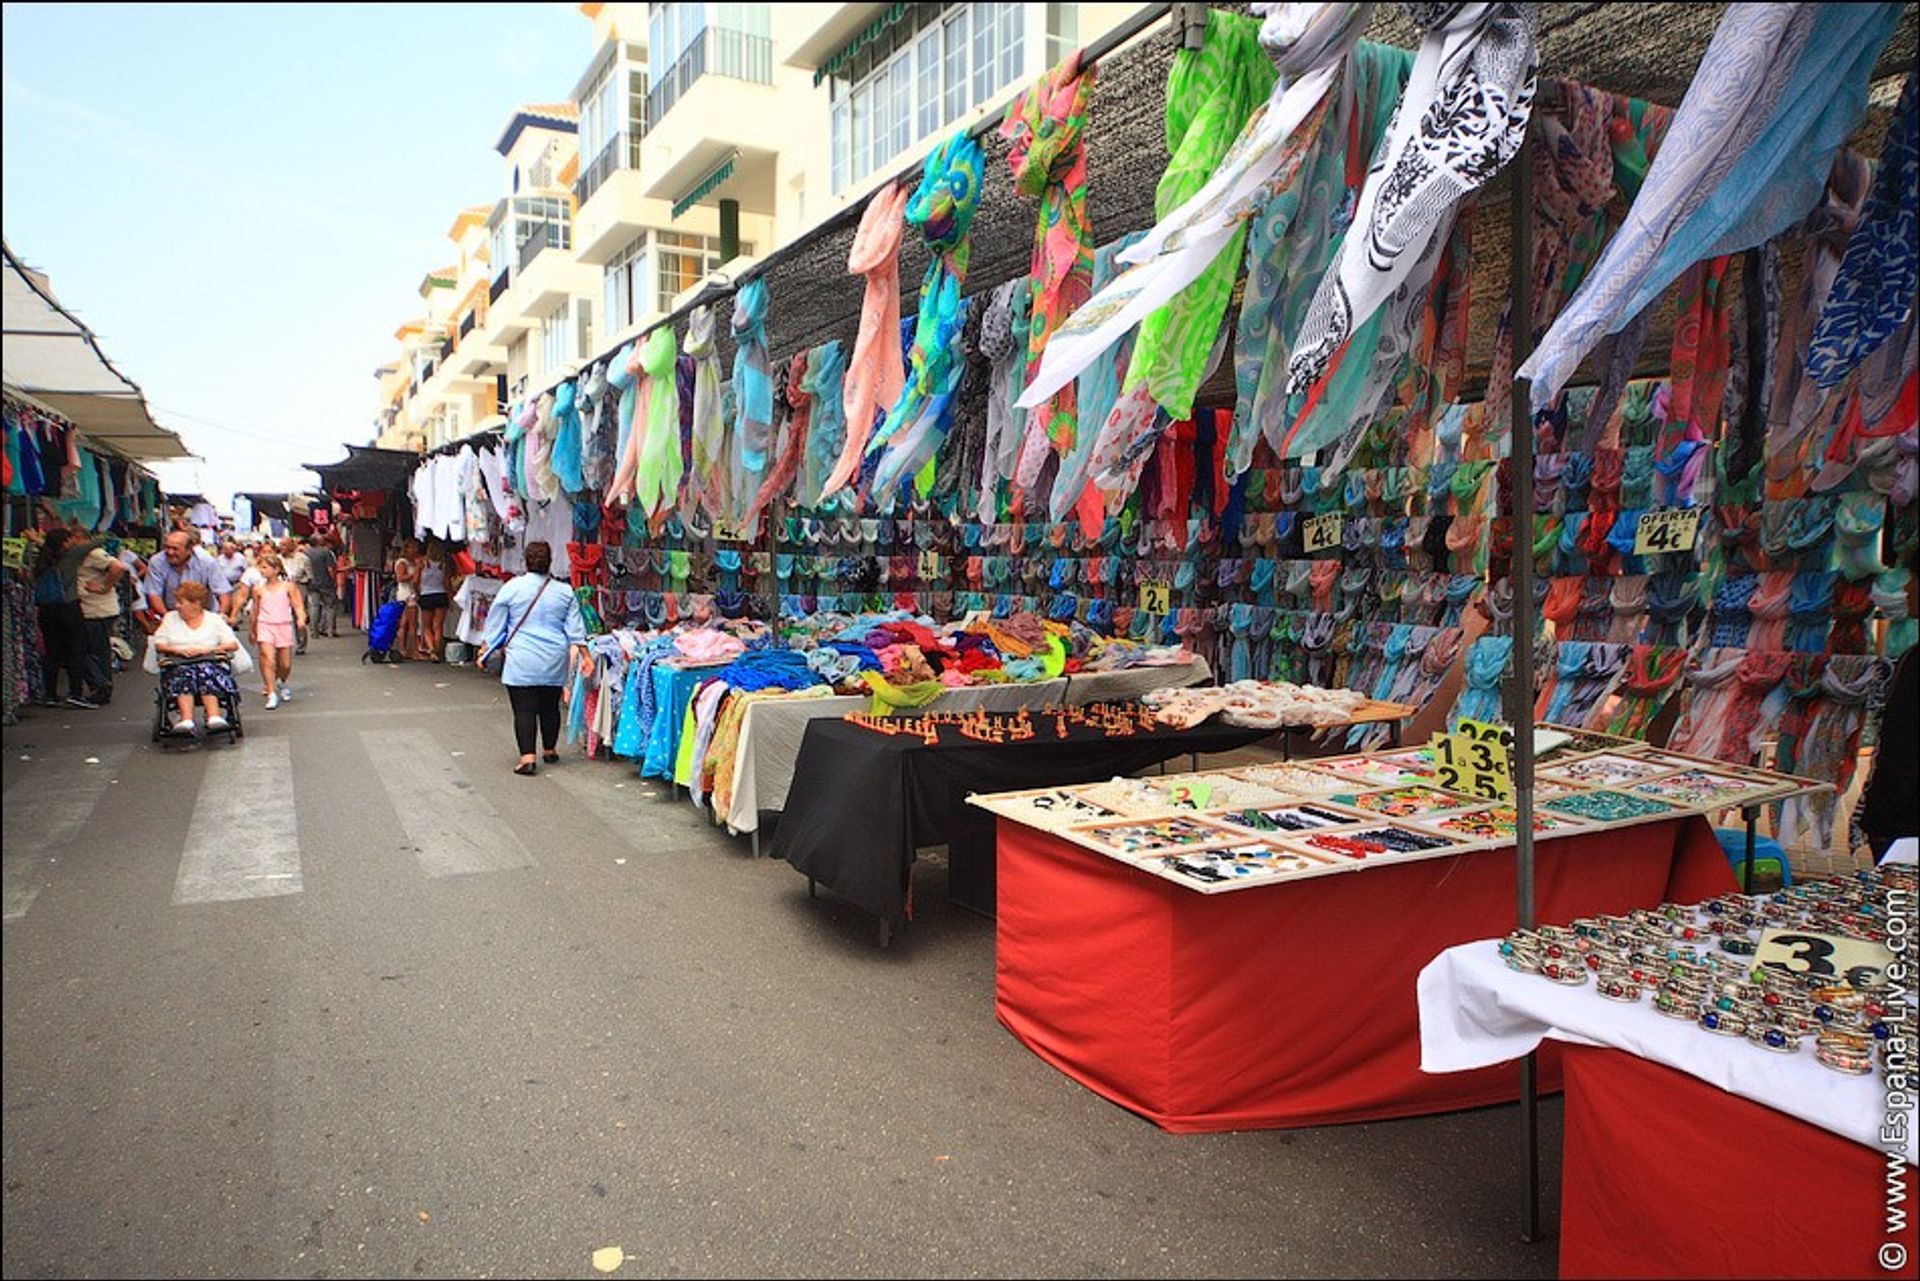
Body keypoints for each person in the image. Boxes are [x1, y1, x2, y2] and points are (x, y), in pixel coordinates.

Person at [480, 540, 587, 776]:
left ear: (525, 562)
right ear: (550, 562)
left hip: (522, 658)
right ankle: (549, 750)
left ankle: (527, 758)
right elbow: (575, 628)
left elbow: (496, 625)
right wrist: (586, 655)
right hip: (554, 657)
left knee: (524, 709)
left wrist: (486, 649)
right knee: (550, 706)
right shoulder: (564, 591)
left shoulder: (511, 587)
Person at [1860, 546, 1920, 860]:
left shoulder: (1915, 663)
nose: (1906, 589)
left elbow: (1901, 750)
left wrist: (1879, 820)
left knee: (1898, 907)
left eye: (1913, 580)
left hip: (1906, 826)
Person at [152, 580, 241, 738]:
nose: (177, 606)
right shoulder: (170, 619)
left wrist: (207, 650)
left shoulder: (214, 619)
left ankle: (214, 716)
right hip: (179, 662)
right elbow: (159, 644)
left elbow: (232, 644)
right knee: (184, 673)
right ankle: (186, 720)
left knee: (206, 670)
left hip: (209, 660)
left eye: (181, 602)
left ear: (196, 603)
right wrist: (178, 650)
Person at [31, 524, 106, 709]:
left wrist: (38, 540)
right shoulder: (71, 555)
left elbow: (48, 546)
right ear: (65, 543)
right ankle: (75, 693)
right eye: (70, 538)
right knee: (76, 650)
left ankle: (50, 694)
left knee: (52, 652)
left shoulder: (41, 556)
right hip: (68, 608)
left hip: (46, 610)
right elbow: (102, 539)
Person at [75, 534, 131, 705]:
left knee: (87, 650)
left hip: (97, 610)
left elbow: (118, 567)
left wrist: (104, 586)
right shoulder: (83, 554)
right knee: (100, 651)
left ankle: (100, 685)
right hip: (96, 609)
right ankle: (102, 688)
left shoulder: (93, 553)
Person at [248, 550, 306, 709]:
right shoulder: (258, 589)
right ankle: (271, 692)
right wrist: (252, 629)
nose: (262, 571)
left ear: (276, 569)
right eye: (261, 567)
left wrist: (301, 618)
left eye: (265, 567)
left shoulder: (288, 586)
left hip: (283, 625)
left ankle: (281, 681)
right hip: (265, 625)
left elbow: (298, 604)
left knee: (285, 664)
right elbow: (255, 610)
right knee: (268, 658)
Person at [145, 529, 233, 618]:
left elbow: (223, 592)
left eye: (175, 549)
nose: (170, 552)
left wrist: (220, 617)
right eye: (167, 547)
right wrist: (168, 619)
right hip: (171, 614)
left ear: (189, 549)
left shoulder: (207, 562)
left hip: (205, 615)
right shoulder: (156, 562)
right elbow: (154, 595)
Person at [415, 540, 450, 661]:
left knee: (427, 626)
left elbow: (415, 580)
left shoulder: (422, 563)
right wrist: (450, 597)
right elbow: (446, 583)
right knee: (438, 626)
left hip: (426, 595)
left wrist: (417, 592)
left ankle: (431, 649)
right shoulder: (443, 564)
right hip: (441, 594)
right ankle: (437, 650)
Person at [303, 534, 340, 638]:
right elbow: (330, 569)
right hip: (326, 583)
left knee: (313, 607)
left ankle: (314, 632)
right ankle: (330, 631)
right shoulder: (326, 552)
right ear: (318, 542)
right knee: (330, 606)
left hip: (311, 583)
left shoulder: (305, 553)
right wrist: (334, 581)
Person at [280, 537, 313, 653]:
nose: (281, 547)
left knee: (299, 615)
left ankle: (301, 644)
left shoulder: (303, 559)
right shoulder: (278, 559)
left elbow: (309, 576)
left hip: (299, 587)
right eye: (280, 545)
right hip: (281, 587)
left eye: (284, 545)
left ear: (291, 545)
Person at [393, 539, 422, 661]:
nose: (416, 550)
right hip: (407, 594)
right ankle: (412, 650)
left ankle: (404, 649)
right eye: (413, 548)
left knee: (405, 623)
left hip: (410, 592)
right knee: (412, 624)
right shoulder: (402, 563)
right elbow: (400, 578)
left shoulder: (413, 562)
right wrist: (416, 573)